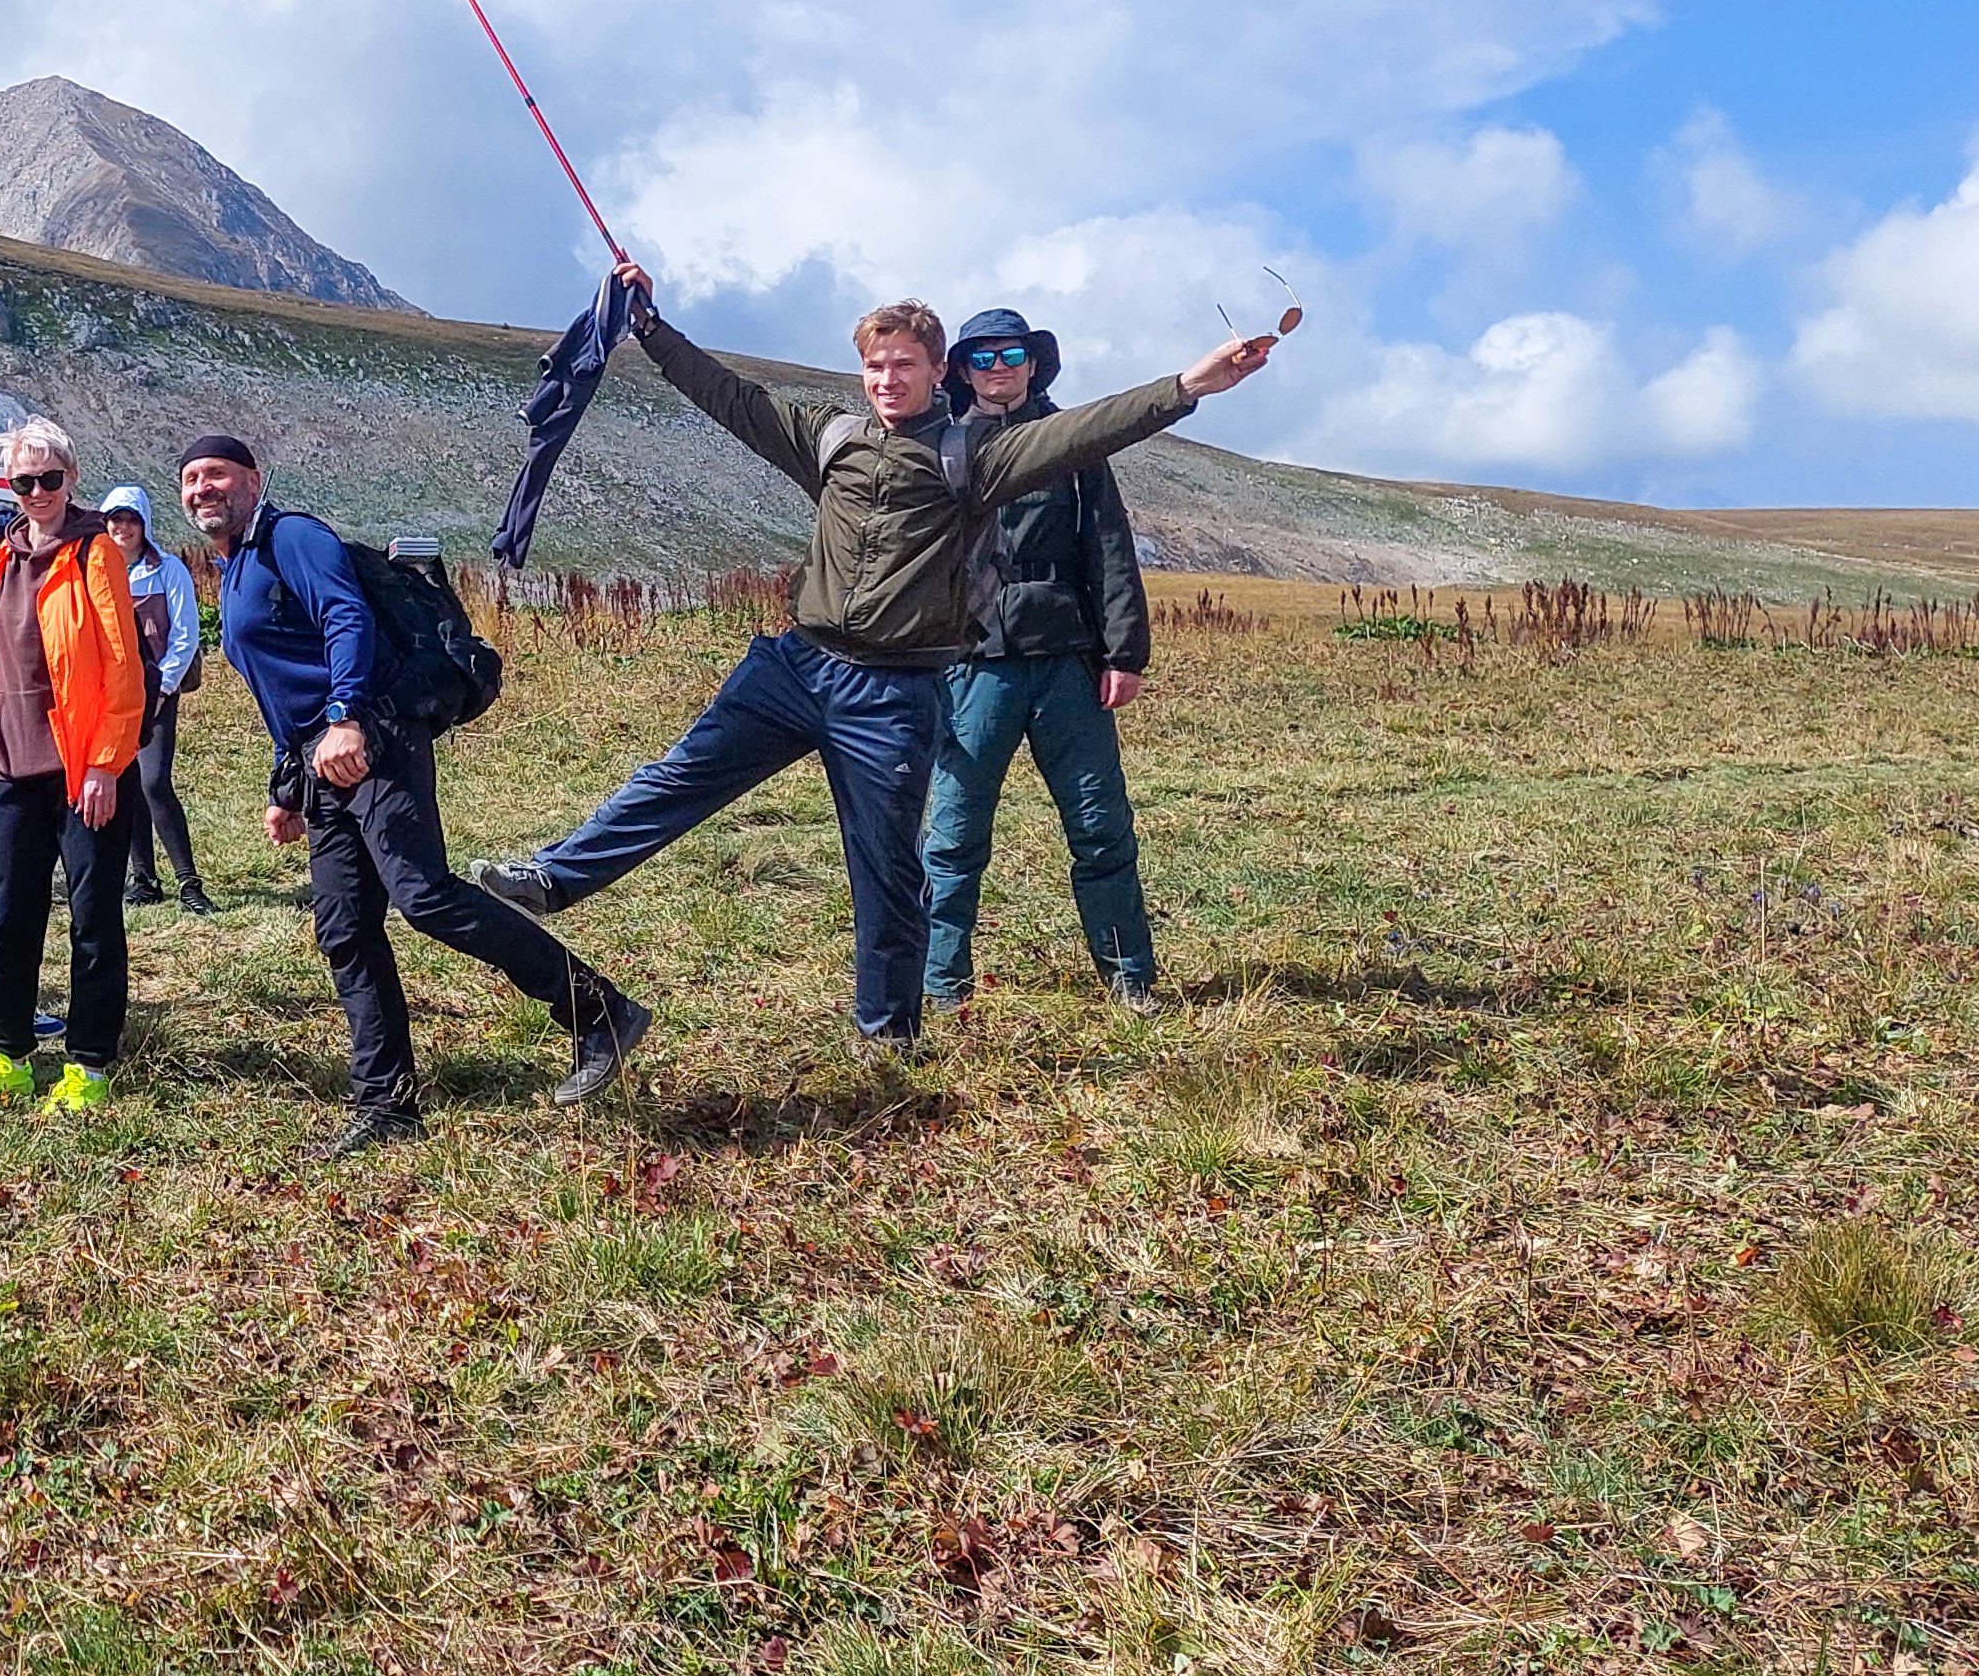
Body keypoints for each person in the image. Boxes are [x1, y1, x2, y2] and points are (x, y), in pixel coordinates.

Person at [475, 258, 1282, 1048]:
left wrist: (1188, 386)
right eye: (874, 365)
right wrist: (648, 325)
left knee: (887, 873)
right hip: (796, 665)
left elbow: (1085, 430)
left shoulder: (978, 457)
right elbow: (731, 398)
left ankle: (888, 1037)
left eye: (903, 365)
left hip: (894, 694)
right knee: (681, 774)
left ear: (938, 373)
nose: (887, 379)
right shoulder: (830, 441)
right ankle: (556, 877)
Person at [185, 436, 647, 1154]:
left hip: (375, 734)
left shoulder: (291, 537)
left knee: (424, 895)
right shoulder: (239, 564)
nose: (202, 489)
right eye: (189, 480)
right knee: (344, 928)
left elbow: (347, 619)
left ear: (251, 479)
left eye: (216, 474)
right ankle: (386, 1103)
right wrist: (287, 785)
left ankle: (599, 1012)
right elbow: (284, 687)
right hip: (325, 763)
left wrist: (345, 718)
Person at [919, 309, 1162, 1011]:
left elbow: (1109, 547)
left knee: (1099, 824)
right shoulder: (939, 445)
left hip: (1067, 662)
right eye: (984, 358)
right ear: (962, 369)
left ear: (1034, 363)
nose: (1000, 368)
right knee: (954, 834)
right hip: (971, 665)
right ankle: (941, 988)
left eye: (1013, 354)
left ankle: (1130, 977)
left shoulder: (1073, 446)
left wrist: (1124, 652)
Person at [0, 417, 149, 1116]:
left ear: (70, 477)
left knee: (91, 916)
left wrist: (108, 764)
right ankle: (10, 1056)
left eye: (49, 478)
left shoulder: (95, 553)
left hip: (83, 768)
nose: (37, 492)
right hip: (6, 765)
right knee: (5, 916)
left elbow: (122, 664)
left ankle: (88, 1064)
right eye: (24, 481)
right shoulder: (5, 554)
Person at [102, 487, 216, 918]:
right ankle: (144, 878)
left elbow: (185, 633)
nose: (122, 528)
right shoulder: (101, 571)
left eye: (130, 519)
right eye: (114, 519)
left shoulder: (168, 570)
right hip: (115, 696)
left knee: (153, 781)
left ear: (144, 523)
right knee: (127, 782)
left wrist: (163, 687)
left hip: (156, 694)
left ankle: (189, 881)